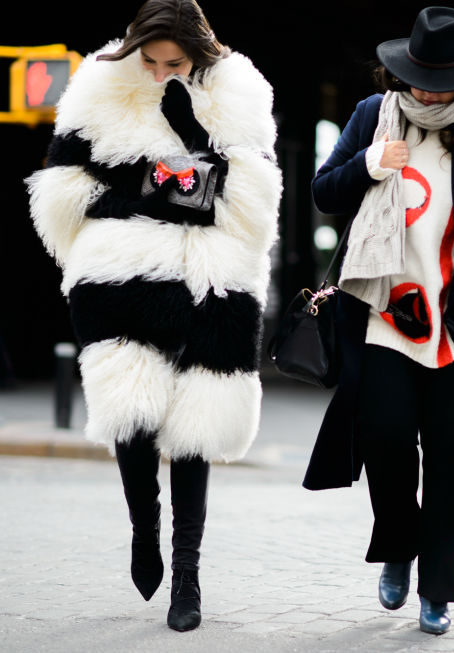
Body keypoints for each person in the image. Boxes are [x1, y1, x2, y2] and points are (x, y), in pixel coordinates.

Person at [25, 0, 281, 632]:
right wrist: (180, 188)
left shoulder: (239, 95)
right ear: (134, 49)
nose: (163, 71)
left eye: (178, 62)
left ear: (201, 53)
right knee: (131, 420)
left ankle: (187, 577)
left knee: (192, 429)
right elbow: (62, 193)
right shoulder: (99, 89)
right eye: (152, 60)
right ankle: (145, 528)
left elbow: (252, 200)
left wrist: (191, 140)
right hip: (118, 278)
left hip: (209, 281)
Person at [302, 7, 454, 636]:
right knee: (382, 442)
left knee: (451, 461)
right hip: (384, 319)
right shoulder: (370, 118)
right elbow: (325, 192)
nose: (429, 90)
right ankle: (399, 549)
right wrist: (372, 165)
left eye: (441, 80)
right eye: (418, 77)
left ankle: (436, 590)